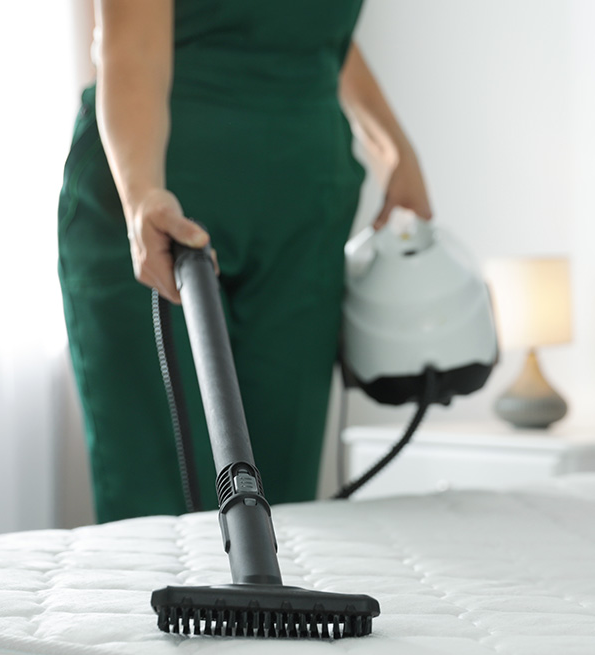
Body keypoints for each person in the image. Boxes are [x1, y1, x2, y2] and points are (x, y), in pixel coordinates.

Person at [58, 0, 432, 523]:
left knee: (285, 497)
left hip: (305, 209)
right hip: (161, 202)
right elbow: (133, 44)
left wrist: (395, 147)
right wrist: (143, 192)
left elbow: (312, 33)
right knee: (159, 492)